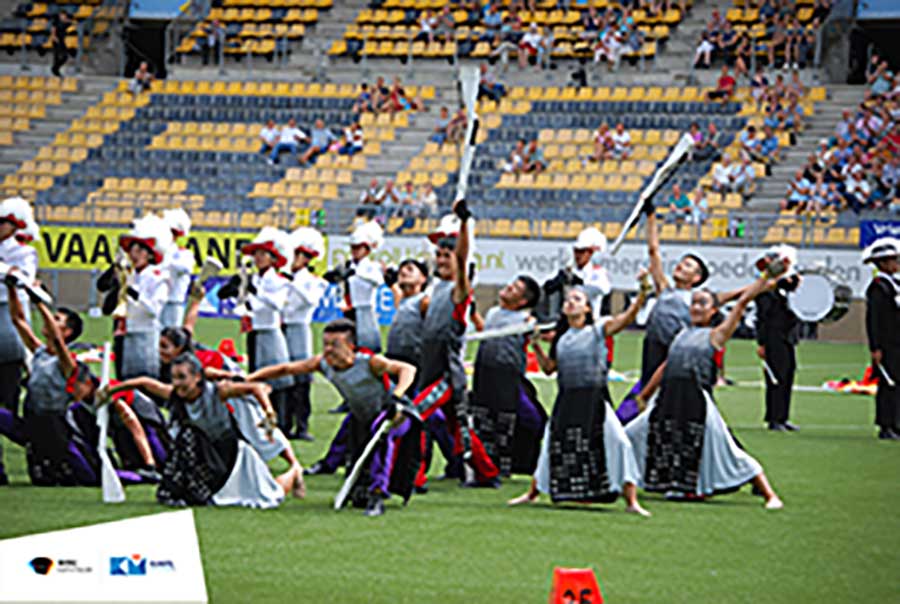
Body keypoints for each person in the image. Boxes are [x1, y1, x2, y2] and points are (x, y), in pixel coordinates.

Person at [626, 263, 787, 509]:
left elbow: (742, 303)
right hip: (668, 399)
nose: (696, 307)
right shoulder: (681, 333)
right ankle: (619, 483)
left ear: (713, 311)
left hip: (697, 402)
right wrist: (645, 395)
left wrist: (765, 278)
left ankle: (770, 495)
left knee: (726, 448)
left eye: (702, 303)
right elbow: (667, 365)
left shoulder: (716, 335)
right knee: (629, 436)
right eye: (694, 303)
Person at [2, 265, 162, 486]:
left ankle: (140, 476)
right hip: (31, 422)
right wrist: (12, 289)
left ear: (67, 332)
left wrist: (39, 302)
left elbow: (58, 342)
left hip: (56, 427)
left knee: (90, 478)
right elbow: (18, 320)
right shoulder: (39, 352)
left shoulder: (67, 362)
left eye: (57, 319)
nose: (51, 322)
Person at [507, 277, 652, 516]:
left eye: (577, 299)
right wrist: (536, 346)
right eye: (568, 300)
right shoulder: (561, 338)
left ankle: (632, 501)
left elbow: (625, 319)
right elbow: (549, 369)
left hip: (594, 399)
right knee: (550, 446)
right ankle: (532, 493)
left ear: (587, 308)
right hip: (567, 398)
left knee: (620, 442)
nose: (570, 302)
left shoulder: (598, 330)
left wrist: (641, 298)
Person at [248, 319, 422, 516]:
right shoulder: (323, 364)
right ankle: (356, 484)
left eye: (335, 345)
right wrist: (248, 379)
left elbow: (408, 369)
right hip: (363, 416)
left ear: (350, 346)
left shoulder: (370, 362)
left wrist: (396, 396)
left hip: (397, 414)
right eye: (326, 344)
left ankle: (378, 494)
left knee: (380, 435)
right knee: (355, 442)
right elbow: (285, 369)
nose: (328, 350)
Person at [105, 353, 302, 507]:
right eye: (174, 378)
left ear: (198, 377)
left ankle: (294, 473)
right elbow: (144, 383)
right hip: (205, 456)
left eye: (182, 377)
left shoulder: (219, 390)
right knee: (187, 438)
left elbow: (256, 388)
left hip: (232, 456)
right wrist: (110, 391)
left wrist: (268, 411)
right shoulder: (174, 393)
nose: (177, 383)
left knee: (270, 495)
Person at [416, 203, 500, 484]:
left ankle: (413, 476)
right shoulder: (435, 287)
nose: (441, 260)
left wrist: (464, 222)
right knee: (460, 429)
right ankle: (487, 473)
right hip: (430, 368)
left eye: (447, 256)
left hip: (446, 374)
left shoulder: (460, 289)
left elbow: (463, 259)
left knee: (415, 416)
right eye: (438, 255)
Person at [216, 228, 294, 435]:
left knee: (276, 379)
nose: (258, 258)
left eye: (263, 254)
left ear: (273, 258)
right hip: (255, 331)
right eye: (256, 254)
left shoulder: (279, 280)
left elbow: (277, 304)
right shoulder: (254, 278)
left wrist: (253, 290)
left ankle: (282, 422)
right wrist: (236, 290)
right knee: (256, 376)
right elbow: (246, 305)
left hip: (270, 331)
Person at [469, 276, 545, 484]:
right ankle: (481, 468)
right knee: (482, 420)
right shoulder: (493, 312)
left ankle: (503, 468)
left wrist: (537, 332)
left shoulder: (526, 320)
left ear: (522, 301)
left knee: (503, 423)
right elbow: (486, 333)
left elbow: (540, 334)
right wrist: (474, 314)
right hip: (484, 373)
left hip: (507, 377)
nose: (509, 287)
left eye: (516, 288)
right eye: (512, 284)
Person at [97, 214, 172, 380]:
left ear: (150, 255)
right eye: (132, 250)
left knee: (144, 379)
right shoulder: (128, 273)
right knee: (123, 379)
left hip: (144, 334)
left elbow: (153, 310)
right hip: (122, 333)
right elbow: (103, 290)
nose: (133, 254)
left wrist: (131, 290)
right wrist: (115, 270)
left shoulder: (158, 278)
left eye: (139, 250)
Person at [282, 227, 328, 441]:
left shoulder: (313, 281)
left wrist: (293, 283)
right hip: (284, 326)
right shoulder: (284, 278)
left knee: (301, 378)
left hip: (300, 327)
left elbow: (311, 301)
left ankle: (302, 425)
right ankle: (284, 423)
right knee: (284, 378)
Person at [755, 247, 801, 432]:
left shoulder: (783, 287)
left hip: (786, 336)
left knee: (788, 374)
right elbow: (762, 318)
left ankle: (783, 416)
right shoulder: (765, 288)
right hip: (772, 336)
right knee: (776, 376)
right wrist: (761, 343)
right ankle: (774, 417)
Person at [323, 221, 384, 353]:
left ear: (367, 249)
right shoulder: (348, 265)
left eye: (358, 248)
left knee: (367, 345)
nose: (355, 251)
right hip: (349, 310)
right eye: (353, 248)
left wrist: (356, 273)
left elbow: (378, 281)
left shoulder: (372, 266)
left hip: (365, 308)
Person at [862, 237, 900, 440]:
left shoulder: (894, 284)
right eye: (894, 260)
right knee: (888, 384)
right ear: (883, 263)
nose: (897, 264)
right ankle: (886, 424)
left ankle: (897, 422)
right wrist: (875, 347)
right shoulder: (878, 287)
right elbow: (874, 320)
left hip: (897, 342)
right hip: (887, 343)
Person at [159, 209, 195, 329]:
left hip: (174, 301)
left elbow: (185, 268)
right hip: (158, 300)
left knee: (171, 335)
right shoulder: (161, 251)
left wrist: (167, 260)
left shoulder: (184, 254)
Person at [49, 11, 72, 77]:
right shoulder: (56, 22)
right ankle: (55, 71)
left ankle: (55, 68)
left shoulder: (65, 23)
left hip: (62, 41)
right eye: (62, 15)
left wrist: (67, 20)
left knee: (65, 56)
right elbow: (53, 31)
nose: (63, 16)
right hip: (56, 41)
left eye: (64, 15)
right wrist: (54, 37)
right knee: (57, 56)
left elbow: (73, 23)